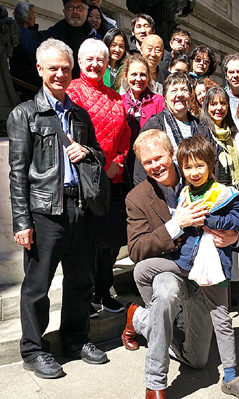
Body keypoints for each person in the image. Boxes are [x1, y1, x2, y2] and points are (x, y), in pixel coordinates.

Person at [123, 130, 239, 399]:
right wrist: (176, 224)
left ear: (172, 154)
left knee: (197, 360)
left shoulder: (197, 177)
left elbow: (237, 212)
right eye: (147, 162)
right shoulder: (136, 198)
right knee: (163, 291)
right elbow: (137, 250)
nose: (155, 166)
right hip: (173, 268)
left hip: (206, 269)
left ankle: (139, 318)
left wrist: (234, 235)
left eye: (159, 157)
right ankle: (155, 383)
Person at [7, 38, 108, 379]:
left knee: (81, 280)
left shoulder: (79, 114)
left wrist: (88, 152)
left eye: (66, 68)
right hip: (44, 212)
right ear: (39, 70)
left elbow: (99, 153)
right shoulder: (25, 114)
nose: (61, 74)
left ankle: (76, 339)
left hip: (79, 207)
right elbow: (17, 172)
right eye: (53, 68)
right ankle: (34, 350)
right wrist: (22, 221)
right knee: (37, 286)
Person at [66, 38, 132, 315]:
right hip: (84, 181)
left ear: (108, 64)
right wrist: (99, 167)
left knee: (110, 242)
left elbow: (125, 134)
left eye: (100, 59)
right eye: (89, 59)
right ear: (80, 63)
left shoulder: (116, 97)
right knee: (86, 244)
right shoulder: (72, 92)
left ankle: (104, 292)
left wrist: (117, 161)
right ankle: (87, 295)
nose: (95, 64)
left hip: (113, 180)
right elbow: (70, 136)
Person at [134, 72, 216, 185]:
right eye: (174, 90)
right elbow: (140, 171)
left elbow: (212, 162)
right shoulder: (154, 126)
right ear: (165, 98)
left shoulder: (201, 126)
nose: (179, 94)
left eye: (184, 90)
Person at [118, 53, 165, 183]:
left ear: (149, 77)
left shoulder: (159, 102)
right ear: (126, 77)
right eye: (134, 74)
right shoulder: (118, 102)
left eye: (143, 74)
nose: (138, 79)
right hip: (124, 165)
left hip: (150, 165)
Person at [199, 87, 239, 189]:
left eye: (223, 103)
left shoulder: (233, 131)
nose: (219, 108)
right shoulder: (202, 132)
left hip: (235, 191)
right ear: (207, 107)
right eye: (214, 104)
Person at [47, 0, 98, 79]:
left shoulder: (96, 39)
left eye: (79, 8)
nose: (75, 12)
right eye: (70, 8)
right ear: (64, 11)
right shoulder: (51, 35)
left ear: (86, 12)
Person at [10, 1, 46, 99]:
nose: (35, 16)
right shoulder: (20, 32)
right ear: (25, 15)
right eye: (33, 13)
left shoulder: (28, 32)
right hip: (23, 80)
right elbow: (33, 49)